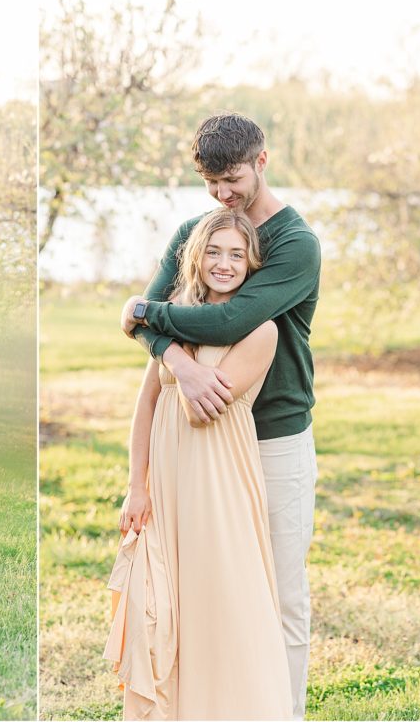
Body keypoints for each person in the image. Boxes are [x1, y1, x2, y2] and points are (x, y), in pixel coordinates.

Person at [120, 113, 321, 719]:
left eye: (231, 179)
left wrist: (147, 318)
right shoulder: (196, 232)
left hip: (273, 439)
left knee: (279, 595)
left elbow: (229, 321)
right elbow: (142, 322)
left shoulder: (295, 244)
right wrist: (176, 364)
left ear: (262, 161)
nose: (221, 193)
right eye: (210, 182)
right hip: (195, 451)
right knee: (202, 588)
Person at [105, 209, 292, 720]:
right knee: (166, 602)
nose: (224, 263)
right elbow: (147, 405)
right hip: (166, 481)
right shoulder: (175, 315)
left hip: (219, 481)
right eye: (213, 251)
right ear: (196, 256)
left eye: (236, 254)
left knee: (222, 599)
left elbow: (197, 405)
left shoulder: (261, 331)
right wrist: (135, 486)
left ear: (251, 264)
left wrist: (168, 345)